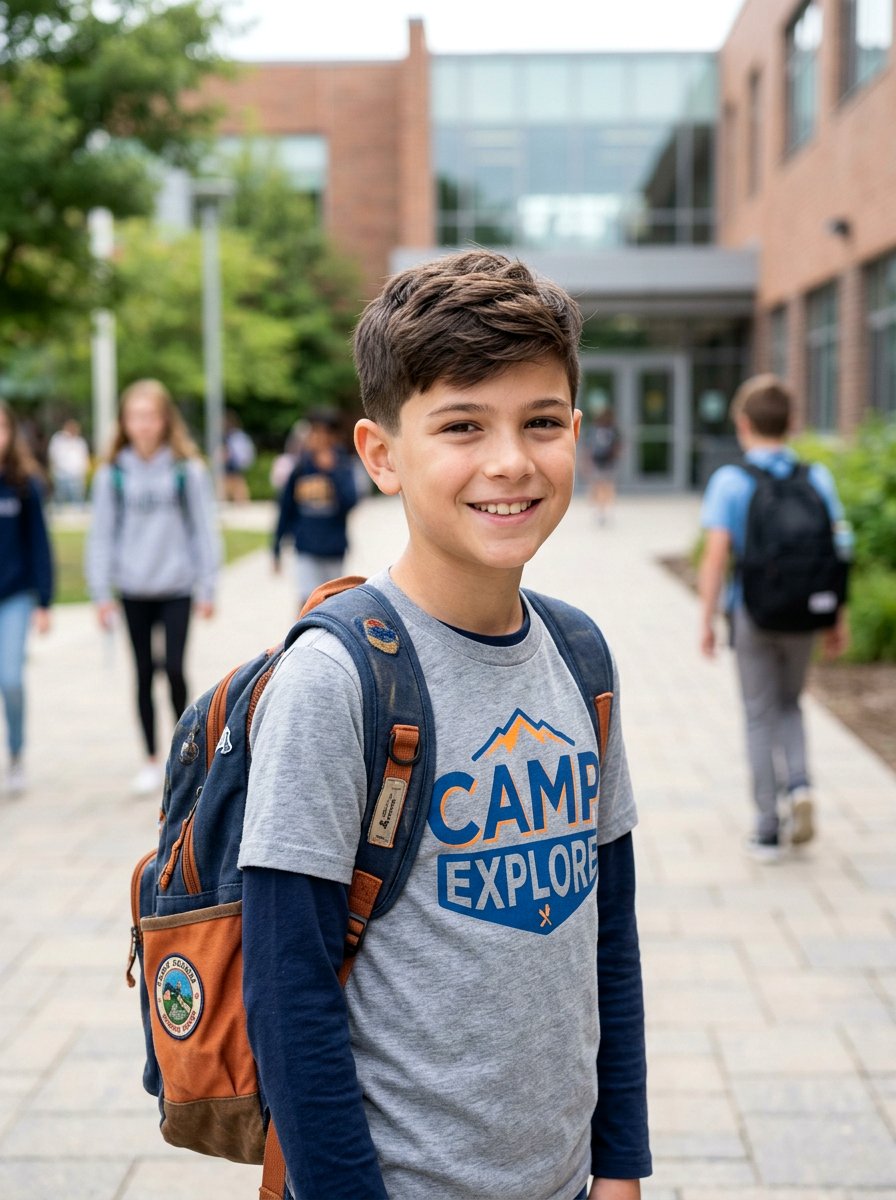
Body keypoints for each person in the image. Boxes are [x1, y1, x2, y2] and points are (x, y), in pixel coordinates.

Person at [240, 250, 652, 1199]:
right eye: (462, 426)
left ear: (577, 436)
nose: (511, 460)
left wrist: (620, 1161)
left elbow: (610, 939)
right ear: (381, 454)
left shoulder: (581, 656)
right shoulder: (337, 678)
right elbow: (288, 993)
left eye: (541, 423)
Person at [697, 373, 850, 861]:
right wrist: (837, 616)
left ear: (743, 424)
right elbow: (839, 547)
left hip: (755, 614)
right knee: (791, 704)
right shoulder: (817, 477)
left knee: (759, 714)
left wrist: (706, 618)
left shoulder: (731, 480)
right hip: (807, 612)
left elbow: (715, 556)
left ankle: (766, 828)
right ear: (793, 423)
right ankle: (800, 785)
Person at [85, 379, 221, 796]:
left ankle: (185, 754)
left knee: (175, 668)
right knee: (143, 671)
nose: (143, 425)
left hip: (176, 584)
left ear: (165, 420)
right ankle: (148, 759)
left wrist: (208, 586)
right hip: (133, 587)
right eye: (135, 417)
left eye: (151, 416)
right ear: (124, 423)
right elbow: (101, 534)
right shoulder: (112, 475)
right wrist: (100, 592)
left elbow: (204, 530)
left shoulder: (187, 470)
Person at [0, 401, 53, 795]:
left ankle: (16, 754)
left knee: (11, 679)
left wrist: (45, 601)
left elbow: (39, 545)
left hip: (15, 595)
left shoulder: (23, 483)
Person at [272, 407, 359, 611]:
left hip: (333, 548)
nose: (318, 438)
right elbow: (285, 509)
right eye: (314, 432)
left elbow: (351, 501)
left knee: (332, 604)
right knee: (306, 602)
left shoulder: (343, 466)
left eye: (323, 433)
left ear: (333, 436)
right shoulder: (301, 468)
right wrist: (276, 546)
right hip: (306, 547)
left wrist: (333, 472)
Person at [586, 407, 622, 525]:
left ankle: (603, 509)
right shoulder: (603, 429)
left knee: (603, 485)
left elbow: (618, 445)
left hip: (605, 461)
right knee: (602, 485)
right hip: (602, 461)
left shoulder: (608, 430)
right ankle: (603, 508)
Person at [47, 417, 91, 507]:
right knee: (60, 498)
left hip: (76, 474)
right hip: (61, 474)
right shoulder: (58, 440)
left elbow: (84, 457)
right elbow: (52, 455)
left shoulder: (80, 442)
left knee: (77, 499)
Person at [221, 410, 256, 503]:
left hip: (235, 466)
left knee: (236, 488)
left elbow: (237, 453)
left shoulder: (237, 436)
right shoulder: (231, 436)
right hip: (232, 467)